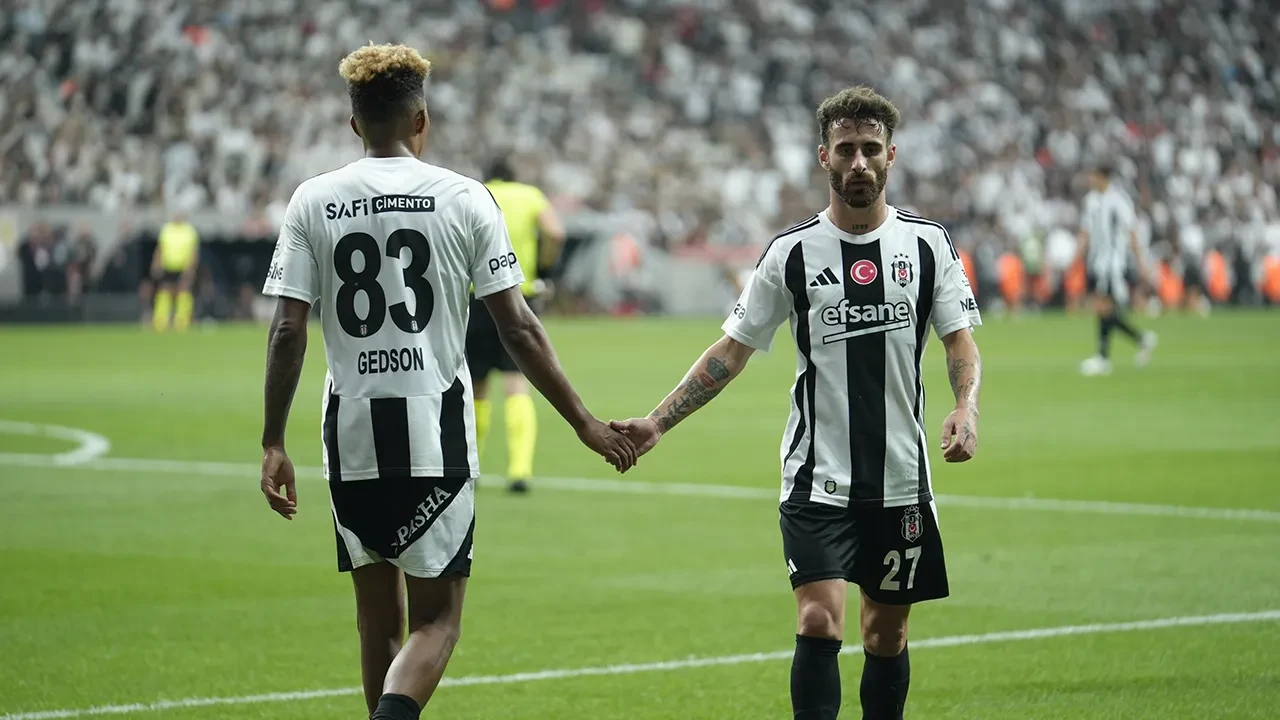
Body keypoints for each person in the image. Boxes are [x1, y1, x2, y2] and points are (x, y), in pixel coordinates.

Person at [256, 43, 636, 720]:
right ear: (421, 119)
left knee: (378, 623)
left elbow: (288, 331)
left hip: (351, 437)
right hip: (435, 436)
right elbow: (519, 328)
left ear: (354, 123)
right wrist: (583, 422)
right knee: (438, 622)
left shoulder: (313, 200)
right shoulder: (463, 197)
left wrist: (272, 441)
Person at [611, 86, 984, 720]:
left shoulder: (928, 245)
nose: (859, 162)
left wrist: (965, 406)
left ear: (891, 156)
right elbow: (730, 352)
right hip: (816, 478)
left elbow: (960, 343)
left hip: (900, 478)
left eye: (871, 149)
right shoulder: (790, 253)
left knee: (886, 633)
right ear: (823, 157)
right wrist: (658, 421)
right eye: (847, 149)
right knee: (818, 620)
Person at [465, 157, 566, 493]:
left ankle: (471, 467)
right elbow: (555, 232)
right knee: (516, 382)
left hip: (477, 296)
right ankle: (520, 470)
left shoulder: (474, 193)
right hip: (518, 295)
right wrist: (544, 267)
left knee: (476, 385)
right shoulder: (529, 195)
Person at [1077, 163, 1158, 376]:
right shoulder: (1091, 201)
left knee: (1103, 307)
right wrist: (1078, 255)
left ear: (1103, 176)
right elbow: (1086, 231)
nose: (1090, 180)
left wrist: (1141, 262)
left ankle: (1103, 358)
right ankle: (1141, 339)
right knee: (1104, 309)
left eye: (1093, 176)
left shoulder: (1119, 201)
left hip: (1112, 263)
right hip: (1096, 261)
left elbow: (1131, 231)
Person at [149, 211, 199, 332]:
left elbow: (193, 252)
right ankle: (160, 321)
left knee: (183, 292)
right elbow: (160, 248)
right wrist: (156, 264)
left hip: (183, 267)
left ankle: (181, 321)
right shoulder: (166, 229)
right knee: (164, 292)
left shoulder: (189, 231)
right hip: (168, 266)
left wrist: (191, 268)